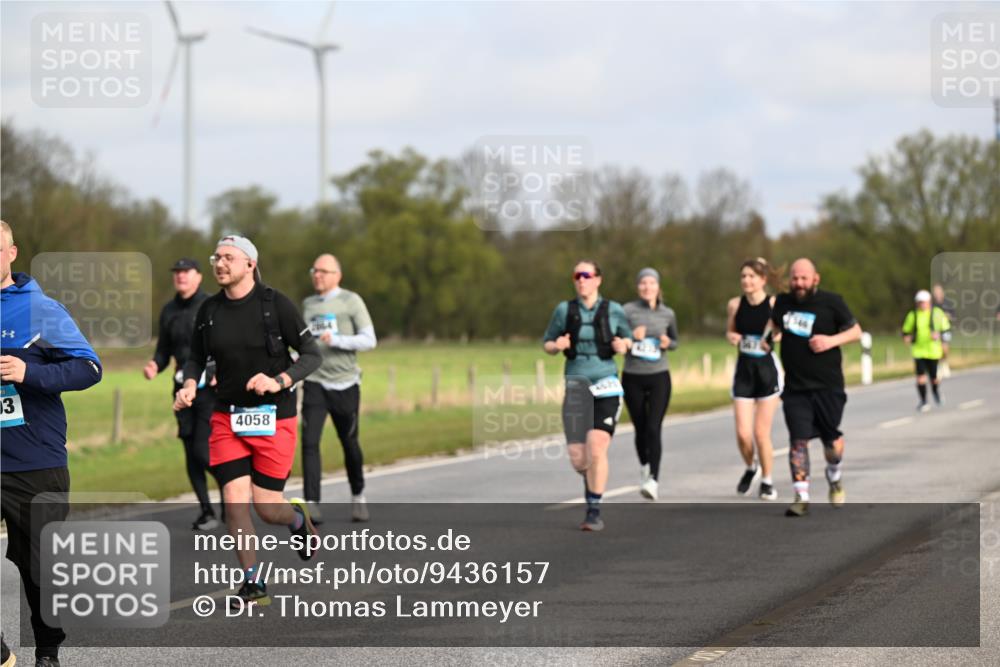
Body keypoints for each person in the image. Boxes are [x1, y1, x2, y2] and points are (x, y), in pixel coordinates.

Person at [175, 235, 322, 608]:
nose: (219, 263)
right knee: (234, 501)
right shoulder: (208, 311)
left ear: (249, 265)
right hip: (227, 417)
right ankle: (252, 581)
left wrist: (279, 380)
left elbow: (311, 354)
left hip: (274, 417)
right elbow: (195, 357)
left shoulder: (276, 306)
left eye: (228, 257)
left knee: (267, 507)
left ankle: (295, 521)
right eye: (216, 257)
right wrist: (190, 384)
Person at [1, 220, 103, 667]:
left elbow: (89, 369)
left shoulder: (39, 310)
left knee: (40, 568)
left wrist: (30, 374)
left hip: (33, 461)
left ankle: (47, 651)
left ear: (11, 253)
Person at [767, 258, 861, 517]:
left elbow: (856, 332)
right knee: (798, 441)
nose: (798, 283)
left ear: (815, 279)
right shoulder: (783, 302)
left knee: (832, 444)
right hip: (796, 388)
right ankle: (801, 496)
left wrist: (830, 341)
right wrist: (769, 337)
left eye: (803, 278)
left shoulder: (832, 301)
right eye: (795, 278)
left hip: (828, 386)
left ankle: (834, 473)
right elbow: (774, 326)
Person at [543, 260, 632, 531]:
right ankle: (591, 476)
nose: (581, 280)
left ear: (598, 280)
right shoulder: (564, 310)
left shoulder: (613, 310)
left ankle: (594, 509)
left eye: (587, 275)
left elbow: (627, 340)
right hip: (576, 385)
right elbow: (547, 343)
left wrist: (623, 345)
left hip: (606, 383)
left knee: (596, 445)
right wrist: (556, 346)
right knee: (578, 458)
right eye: (577, 276)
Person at [144, 258, 223, 530]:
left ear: (199, 277)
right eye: (177, 273)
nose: (180, 277)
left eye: (186, 272)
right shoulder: (169, 310)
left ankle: (231, 490)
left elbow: (224, 343)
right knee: (190, 452)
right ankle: (207, 511)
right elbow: (164, 349)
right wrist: (156, 364)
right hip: (181, 389)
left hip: (210, 389)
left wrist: (217, 371)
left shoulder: (211, 305)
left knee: (203, 450)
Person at [300, 254, 377, 523]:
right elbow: (303, 343)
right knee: (309, 442)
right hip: (315, 383)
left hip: (345, 383)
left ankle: (358, 495)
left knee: (349, 442)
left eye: (323, 270)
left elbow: (370, 340)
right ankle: (312, 503)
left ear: (337, 275)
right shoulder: (308, 305)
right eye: (314, 269)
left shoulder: (350, 301)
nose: (317, 275)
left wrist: (338, 340)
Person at [726, 258, 783, 501]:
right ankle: (752, 467)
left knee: (761, 433)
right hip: (744, 371)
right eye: (743, 276)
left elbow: (781, 331)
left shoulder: (773, 304)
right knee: (742, 434)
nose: (747, 281)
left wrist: (774, 338)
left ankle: (768, 481)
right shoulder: (734, 304)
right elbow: (730, 330)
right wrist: (733, 337)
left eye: (752, 276)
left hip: (767, 370)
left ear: (763, 280)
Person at [621, 268, 678, 501]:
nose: (647, 287)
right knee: (641, 428)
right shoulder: (627, 311)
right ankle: (644, 465)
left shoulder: (668, 313)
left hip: (659, 376)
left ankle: (653, 479)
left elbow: (675, 341)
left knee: (654, 428)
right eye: (643, 283)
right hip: (633, 376)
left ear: (658, 287)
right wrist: (632, 336)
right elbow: (617, 340)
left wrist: (667, 342)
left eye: (651, 283)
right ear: (638, 287)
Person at [901, 290, 951, 412]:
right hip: (918, 350)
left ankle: (935, 392)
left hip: (934, 350)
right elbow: (905, 331)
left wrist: (939, 337)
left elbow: (946, 331)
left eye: (924, 302)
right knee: (920, 377)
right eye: (920, 303)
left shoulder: (937, 313)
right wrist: (907, 337)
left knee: (934, 378)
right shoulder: (913, 314)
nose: (922, 305)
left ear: (929, 302)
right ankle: (923, 401)